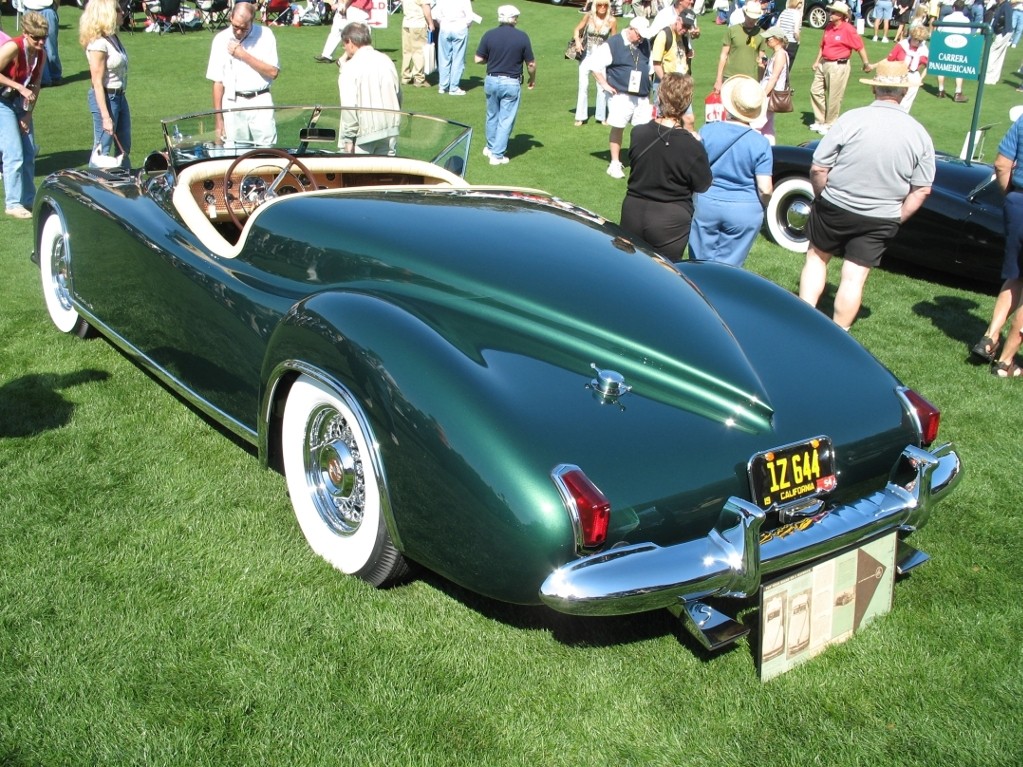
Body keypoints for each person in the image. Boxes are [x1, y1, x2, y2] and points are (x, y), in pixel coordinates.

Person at [798, 60, 934, 330]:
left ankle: (803, 321)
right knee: (854, 277)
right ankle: (841, 333)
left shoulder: (852, 119)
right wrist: (897, 217)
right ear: (904, 93)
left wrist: (823, 196)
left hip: (835, 204)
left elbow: (819, 166)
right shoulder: (920, 134)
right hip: (882, 216)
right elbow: (922, 189)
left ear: (875, 90)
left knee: (816, 258)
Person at [620, 73, 712, 260]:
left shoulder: (638, 133)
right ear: (686, 103)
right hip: (670, 219)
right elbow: (703, 184)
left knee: (627, 273)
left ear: (660, 96)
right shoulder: (692, 146)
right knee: (664, 277)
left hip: (633, 211)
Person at [689, 75, 773, 266]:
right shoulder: (760, 143)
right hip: (744, 210)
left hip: (706, 203)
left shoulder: (707, 131)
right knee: (730, 270)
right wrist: (763, 206)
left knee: (698, 265)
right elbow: (765, 188)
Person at [972, 113, 1023, 376]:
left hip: (1018, 203)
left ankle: (991, 337)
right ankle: (1006, 362)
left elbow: (1002, 164)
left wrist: (1010, 195)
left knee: (1016, 274)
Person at [206, 1, 280, 146]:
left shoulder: (265, 35)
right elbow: (218, 82)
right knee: (235, 152)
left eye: (244, 28)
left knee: (266, 151)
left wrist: (243, 55)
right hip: (233, 101)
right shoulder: (220, 39)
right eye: (235, 27)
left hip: (260, 100)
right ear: (230, 18)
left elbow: (273, 72)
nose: (239, 32)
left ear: (252, 21)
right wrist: (219, 120)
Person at [590, 16, 654, 179]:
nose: (641, 39)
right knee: (618, 126)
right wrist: (605, 85)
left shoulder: (644, 42)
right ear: (631, 29)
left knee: (643, 130)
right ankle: (614, 163)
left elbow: (650, 67)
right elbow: (595, 66)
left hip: (642, 95)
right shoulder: (614, 43)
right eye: (639, 35)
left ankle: (640, 160)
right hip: (622, 94)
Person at [474, 5, 536, 165]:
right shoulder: (522, 37)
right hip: (511, 82)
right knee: (505, 119)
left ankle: (490, 147)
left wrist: (493, 59)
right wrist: (532, 78)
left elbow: (478, 59)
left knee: (492, 115)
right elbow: (531, 64)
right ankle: (497, 155)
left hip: (491, 80)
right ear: (513, 19)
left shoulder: (489, 35)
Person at [0, 12, 47, 219]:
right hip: (2, 101)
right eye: (36, 37)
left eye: (44, 37)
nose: (41, 41)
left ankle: (29, 198)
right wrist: (18, 86)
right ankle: (12, 203)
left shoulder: (41, 53)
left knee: (28, 152)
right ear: (25, 34)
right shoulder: (13, 47)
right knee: (14, 153)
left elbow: (36, 85)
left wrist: (28, 115)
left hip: (21, 104)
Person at [80, 0, 131, 170]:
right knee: (102, 150)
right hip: (106, 98)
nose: (121, 12)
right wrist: (105, 116)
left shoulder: (112, 38)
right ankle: (94, 187)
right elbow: (97, 82)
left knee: (124, 146)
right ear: (106, 14)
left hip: (119, 96)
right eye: (117, 10)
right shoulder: (98, 44)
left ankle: (125, 183)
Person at [337, 22, 401, 155]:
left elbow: (349, 107)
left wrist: (348, 139)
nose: (344, 48)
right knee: (386, 175)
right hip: (390, 131)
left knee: (361, 176)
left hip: (363, 136)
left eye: (344, 44)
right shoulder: (386, 60)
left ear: (351, 42)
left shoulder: (350, 68)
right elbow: (398, 95)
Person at [809, 1, 870, 135]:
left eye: (833, 12)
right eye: (830, 11)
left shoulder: (848, 29)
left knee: (834, 96)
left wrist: (866, 63)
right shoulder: (829, 27)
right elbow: (822, 46)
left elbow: (859, 47)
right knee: (815, 90)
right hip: (823, 63)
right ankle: (820, 120)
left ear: (841, 15)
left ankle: (830, 123)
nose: (830, 14)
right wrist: (816, 62)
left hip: (839, 65)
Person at [572, 0, 616, 125]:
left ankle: (601, 116)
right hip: (587, 53)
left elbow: (613, 40)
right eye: (599, 5)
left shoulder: (611, 20)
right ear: (595, 6)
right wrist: (578, 41)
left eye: (605, 5)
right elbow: (577, 30)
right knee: (583, 85)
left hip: (601, 55)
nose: (602, 7)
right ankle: (580, 116)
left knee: (601, 86)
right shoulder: (589, 17)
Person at [713, 2, 771, 93]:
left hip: (751, 79)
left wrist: (761, 83)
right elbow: (723, 55)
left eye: (755, 18)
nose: (752, 20)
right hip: (730, 76)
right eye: (750, 17)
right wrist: (718, 79)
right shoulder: (732, 30)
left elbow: (761, 60)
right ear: (744, 14)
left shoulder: (762, 34)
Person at [433, 0, 474, 95]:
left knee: (443, 58)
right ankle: (454, 87)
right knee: (458, 58)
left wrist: (443, 23)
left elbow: (437, 15)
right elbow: (469, 16)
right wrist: (465, 25)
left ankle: (443, 86)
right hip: (459, 27)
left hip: (445, 27)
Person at [885, 25, 928, 112]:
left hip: (913, 76)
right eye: (916, 40)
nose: (918, 43)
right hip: (897, 74)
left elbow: (928, 66)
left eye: (920, 41)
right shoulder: (901, 45)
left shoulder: (924, 50)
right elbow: (890, 60)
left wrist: (920, 78)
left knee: (906, 103)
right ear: (911, 37)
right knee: (893, 99)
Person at [759, 25, 789, 144]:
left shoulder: (781, 54)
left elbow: (774, 77)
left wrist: (763, 94)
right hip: (769, 93)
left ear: (777, 39)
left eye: (769, 38)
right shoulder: (777, 54)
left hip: (770, 94)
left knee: (756, 124)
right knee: (767, 128)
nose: (766, 41)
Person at [20, 0, 61, 87]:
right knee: (32, 47)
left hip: (47, 9)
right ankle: (42, 78)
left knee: (50, 48)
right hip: (29, 9)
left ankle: (55, 76)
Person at [935, 0, 969, 101]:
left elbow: (940, 30)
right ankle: (958, 92)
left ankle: (941, 90)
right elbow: (967, 34)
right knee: (959, 68)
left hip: (946, 45)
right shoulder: (966, 20)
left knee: (942, 67)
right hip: (959, 46)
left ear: (953, 8)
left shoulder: (946, 18)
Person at [401, 0, 435, 88]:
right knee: (419, 51)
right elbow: (425, 7)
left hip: (406, 21)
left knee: (407, 51)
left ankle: (406, 76)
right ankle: (419, 78)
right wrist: (431, 23)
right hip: (418, 23)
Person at [985, 0, 1013, 84]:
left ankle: (989, 77)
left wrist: (1003, 33)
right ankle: (994, 78)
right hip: (1003, 32)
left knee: (992, 53)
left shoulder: (1006, 5)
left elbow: (1007, 20)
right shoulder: (1002, 5)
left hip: (1003, 32)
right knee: (999, 55)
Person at [777, 0, 803, 69]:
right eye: (800, 2)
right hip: (791, 42)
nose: (801, 4)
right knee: (787, 66)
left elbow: (777, 27)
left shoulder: (784, 12)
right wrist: (798, 41)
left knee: (779, 63)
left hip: (781, 41)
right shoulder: (797, 14)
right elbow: (796, 31)